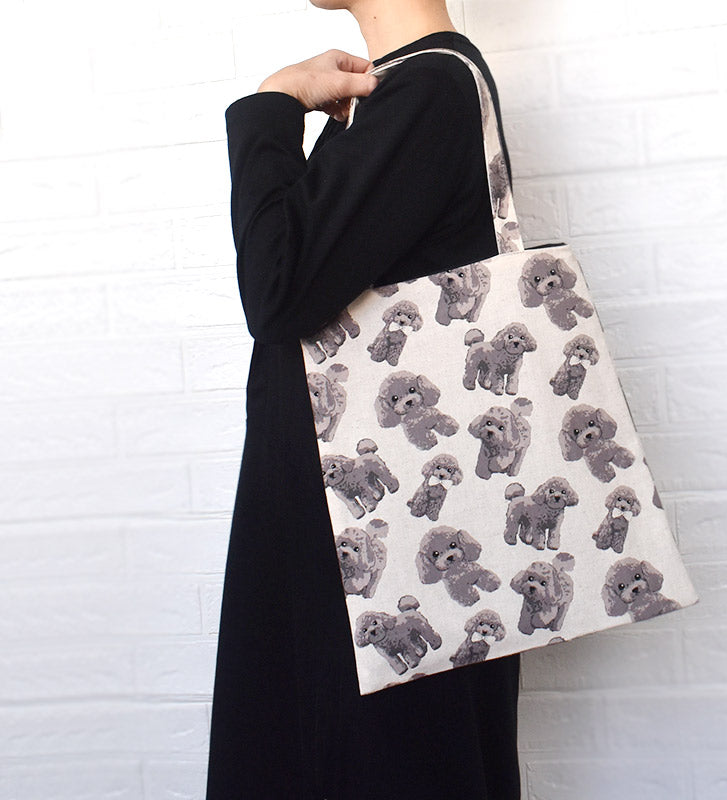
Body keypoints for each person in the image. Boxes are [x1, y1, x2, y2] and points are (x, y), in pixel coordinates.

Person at [205, 1, 521, 798]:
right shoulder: (416, 89)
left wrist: (273, 104)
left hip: (371, 551)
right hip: (365, 526)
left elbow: (278, 291)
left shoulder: (429, 90)